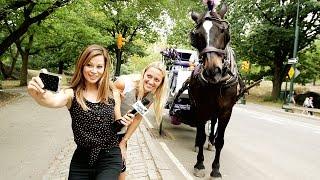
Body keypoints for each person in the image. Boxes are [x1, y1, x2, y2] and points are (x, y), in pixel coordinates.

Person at [27, 44, 133, 179]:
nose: (94, 71)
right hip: (82, 159)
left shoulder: (112, 93)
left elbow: (117, 124)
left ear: (105, 68)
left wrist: (124, 121)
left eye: (99, 66)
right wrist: (39, 95)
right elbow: (52, 101)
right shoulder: (72, 93)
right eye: (89, 65)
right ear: (82, 65)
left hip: (109, 157)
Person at [114, 61, 168, 180]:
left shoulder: (150, 97)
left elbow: (137, 118)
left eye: (156, 80)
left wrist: (124, 141)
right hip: (103, 131)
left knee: (121, 173)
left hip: (120, 134)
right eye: (149, 76)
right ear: (143, 74)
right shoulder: (124, 84)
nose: (151, 82)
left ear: (161, 83)